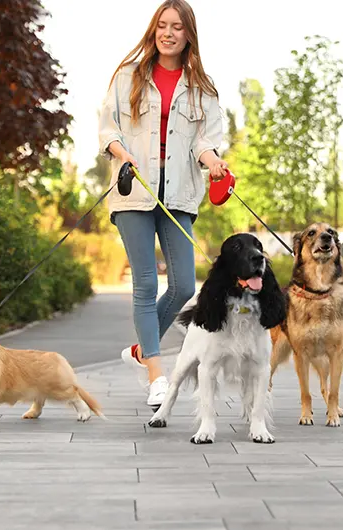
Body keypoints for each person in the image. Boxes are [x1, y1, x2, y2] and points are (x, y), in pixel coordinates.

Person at [98, 0, 227, 407]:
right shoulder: (128, 76)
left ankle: (141, 349)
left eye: (177, 27)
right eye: (162, 25)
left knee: (185, 285)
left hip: (179, 195)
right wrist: (122, 153)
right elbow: (107, 128)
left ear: (189, 34)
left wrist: (213, 162)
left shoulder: (202, 88)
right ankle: (156, 373)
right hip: (134, 192)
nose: (168, 33)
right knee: (146, 283)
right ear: (154, 30)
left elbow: (204, 141)